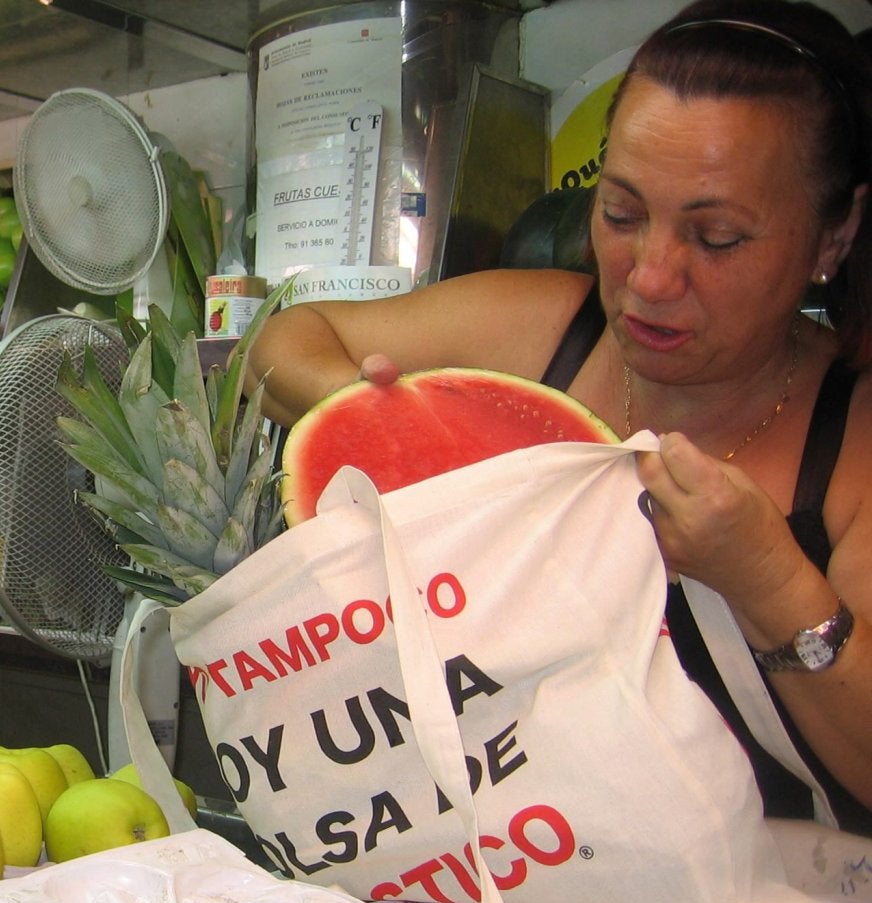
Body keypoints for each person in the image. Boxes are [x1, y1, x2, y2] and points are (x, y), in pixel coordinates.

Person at [247, 0, 872, 836]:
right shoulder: (547, 327)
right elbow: (284, 337)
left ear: (834, 238)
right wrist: (375, 418)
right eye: (620, 214)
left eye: (716, 237)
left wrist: (765, 575)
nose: (649, 277)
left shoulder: (854, 441)